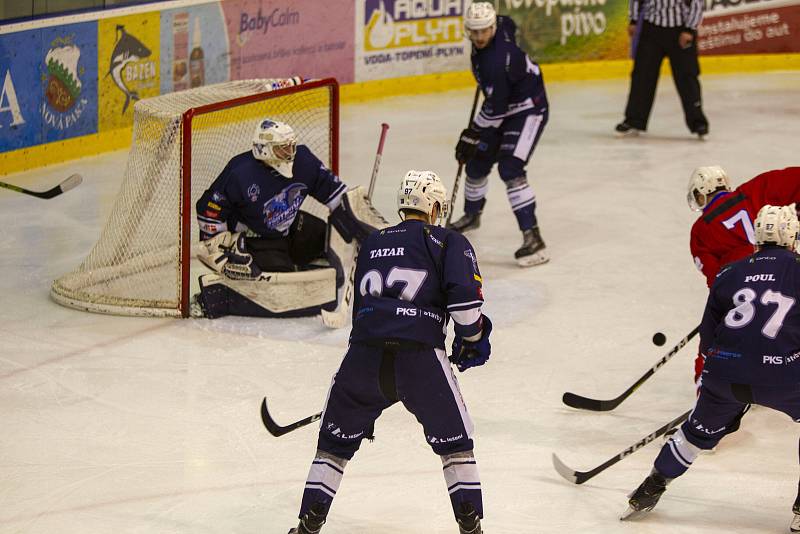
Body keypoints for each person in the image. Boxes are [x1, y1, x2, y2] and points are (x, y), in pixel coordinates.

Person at [287, 170, 492, 534]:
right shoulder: (448, 241)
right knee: (456, 446)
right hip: (420, 359)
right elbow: (465, 309)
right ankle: (471, 527)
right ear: (432, 206)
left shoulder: (372, 242)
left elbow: (361, 310)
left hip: (363, 357)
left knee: (333, 447)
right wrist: (473, 338)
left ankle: (307, 526)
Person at [622, 204, 800, 531]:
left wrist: (734, 373)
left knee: (694, 433)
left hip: (723, 376)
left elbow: (707, 342)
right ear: (792, 236)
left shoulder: (729, 272)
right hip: (783, 378)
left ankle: (652, 486)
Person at [193, 118, 381, 318]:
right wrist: (219, 247)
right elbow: (209, 208)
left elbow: (336, 195)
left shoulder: (304, 160)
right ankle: (221, 294)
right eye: (283, 149)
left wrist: (357, 219)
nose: (291, 153)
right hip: (256, 238)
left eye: (291, 146)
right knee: (283, 279)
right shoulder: (240, 172)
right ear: (264, 149)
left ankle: (301, 263)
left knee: (327, 238)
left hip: (290, 227)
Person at [451, 2, 549, 267]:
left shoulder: (497, 62)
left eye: (485, 31)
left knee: (510, 168)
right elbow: (511, 23)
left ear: (493, 27)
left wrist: (472, 133)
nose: (480, 37)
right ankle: (472, 215)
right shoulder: (501, 26)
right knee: (477, 162)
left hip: (528, 109)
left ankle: (533, 237)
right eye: (475, 31)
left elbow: (495, 110)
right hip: (503, 104)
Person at [688, 166, 800, 386]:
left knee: (722, 333)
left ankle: (706, 381)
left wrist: (725, 304)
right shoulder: (755, 189)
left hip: (742, 285)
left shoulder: (701, 229)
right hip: (786, 273)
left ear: (702, 192)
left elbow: (716, 280)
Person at [615, 0, 708, 138]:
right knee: (642, 76)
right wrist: (633, 20)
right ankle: (634, 120)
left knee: (687, 77)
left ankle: (698, 122)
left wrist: (689, 29)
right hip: (652, 28)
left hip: (680, 29)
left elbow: (697, 3)